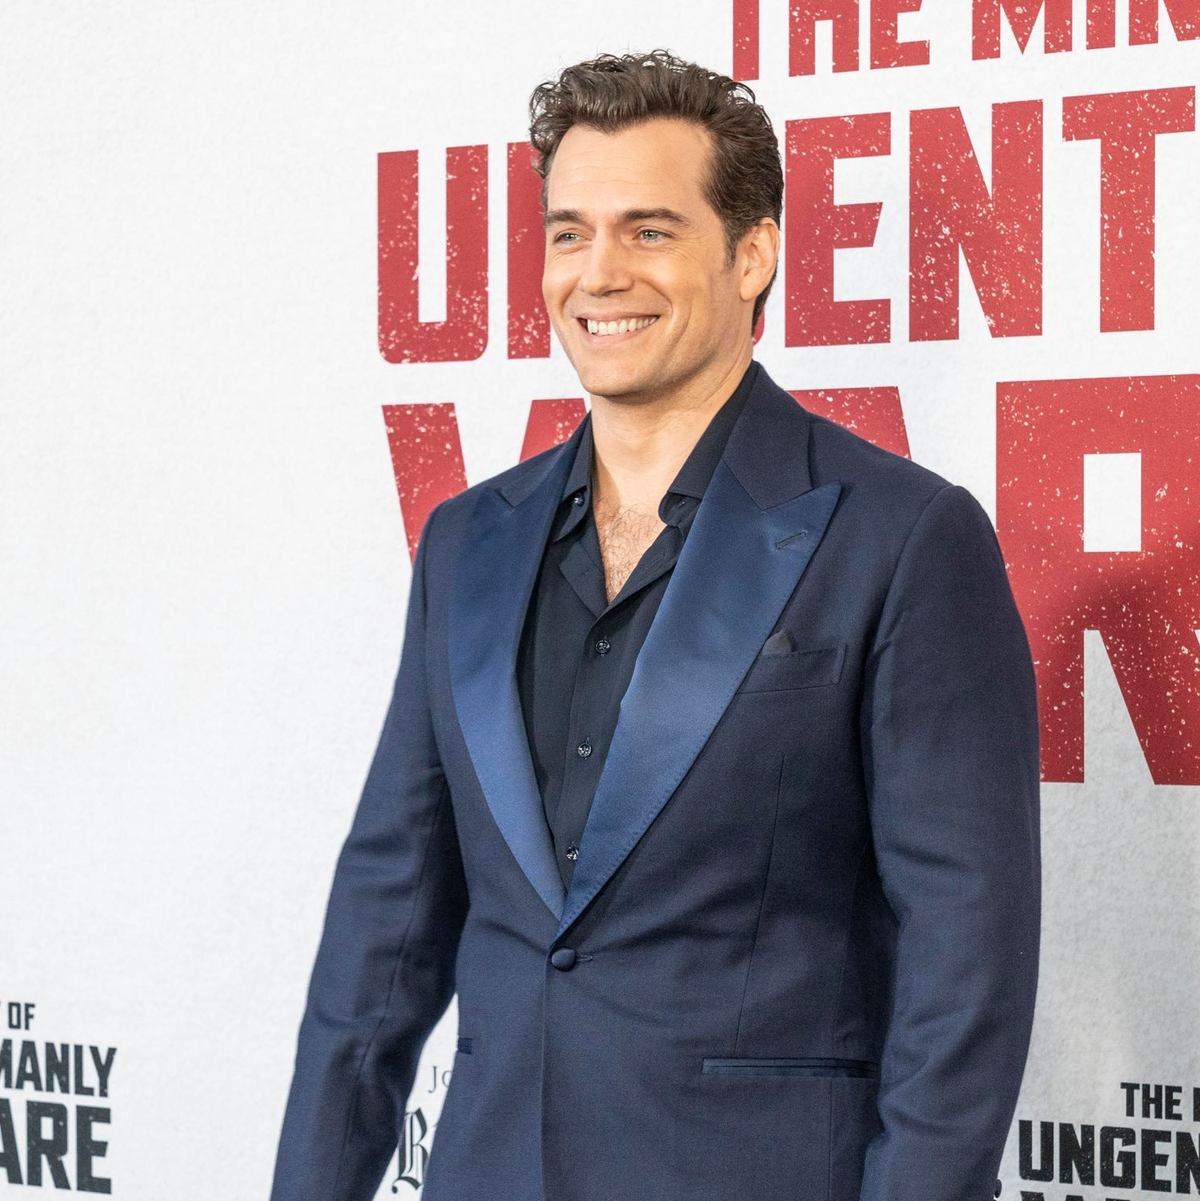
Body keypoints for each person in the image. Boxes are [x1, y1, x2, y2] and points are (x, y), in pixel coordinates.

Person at [269, 48, 1041, 1201]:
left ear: (752, 253)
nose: (599, 273)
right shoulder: (466, 545)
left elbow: (965, 970)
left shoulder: (905, 539)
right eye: (569, 231)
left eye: (649, 230)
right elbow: (382, 939)